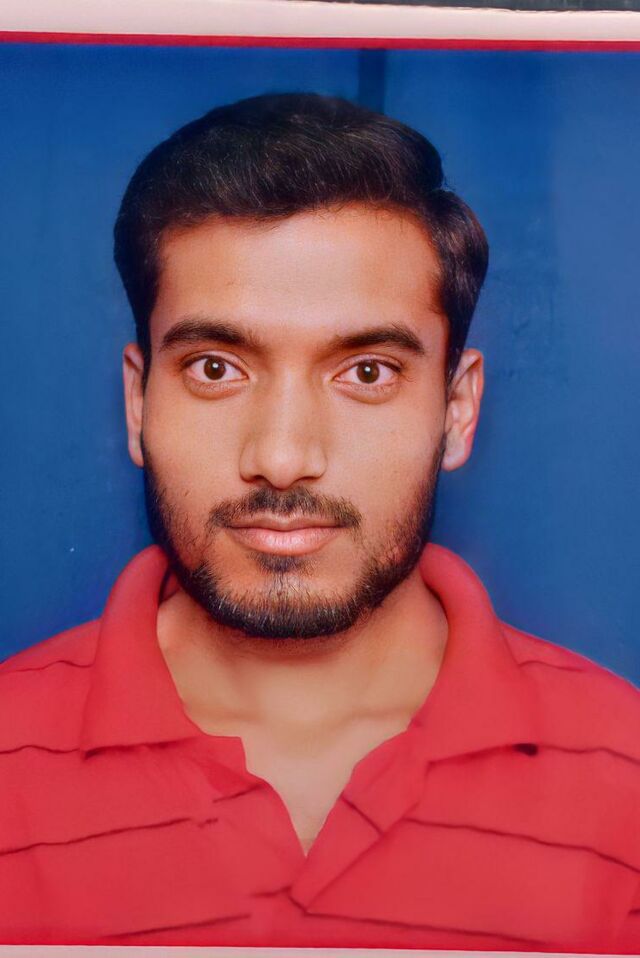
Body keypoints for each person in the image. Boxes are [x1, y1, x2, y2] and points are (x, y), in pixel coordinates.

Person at [2, 92, 639, 952]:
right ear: (138, 401)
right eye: (216, 368)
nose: (283, 456)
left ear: (457, 410)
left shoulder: (626, 776)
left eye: (367, 372)